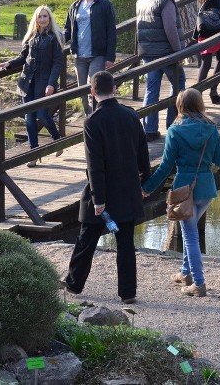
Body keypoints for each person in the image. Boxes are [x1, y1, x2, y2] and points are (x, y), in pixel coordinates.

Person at [61, 71, 150, 304]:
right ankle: (128, 292)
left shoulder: (93, 121)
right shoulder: (132, 116)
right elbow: (143, 154)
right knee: (125, 243)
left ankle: (74, 283)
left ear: (92, 92)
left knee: (86, 238)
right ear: (115, 89)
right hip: (128, 189)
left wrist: (98, 199)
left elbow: (95, 164)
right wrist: (145, 182)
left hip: (103, 191)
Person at [141, 88, 220, 297]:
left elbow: (165, 166)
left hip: (183, 190)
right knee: (192, 231)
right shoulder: (211, 129)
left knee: (190, 236)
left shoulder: (175, 131)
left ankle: (199, 283)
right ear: (200, 104)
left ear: (180, 106)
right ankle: (185, 273)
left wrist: (147, 188)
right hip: (205, 188)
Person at [0, 5, 64, 167]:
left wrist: (51, 84)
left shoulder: (55, 37)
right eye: (39, 17)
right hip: (27, 82)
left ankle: (58, 140)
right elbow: (23, 57)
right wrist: (9, 63)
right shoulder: (31, 36)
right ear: (36, 19)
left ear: (50, 18)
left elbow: (57, 63)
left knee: (43, 115)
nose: (42, 19)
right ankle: (33, 153)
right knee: (29, 118)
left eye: (45, 16)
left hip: (44, 82)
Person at [136, 0, 186, 141]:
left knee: (151, 89)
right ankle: (173, 124)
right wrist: (178, 52)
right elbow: (170, 28)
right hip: (166, 53)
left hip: (148, 53)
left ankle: (149, 129)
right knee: (179, 84)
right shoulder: (166, 0)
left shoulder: (142, 0)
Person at [64, 0, 117, 116]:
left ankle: (97, 116)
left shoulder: (105, 5)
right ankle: (89, 116)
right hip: (79, 54)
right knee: (82, 89)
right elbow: (68, 29)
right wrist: (57, 40)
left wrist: (110, 56)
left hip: (98, 54)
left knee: (94, 86)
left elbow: (111, 31)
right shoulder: (75, 6)